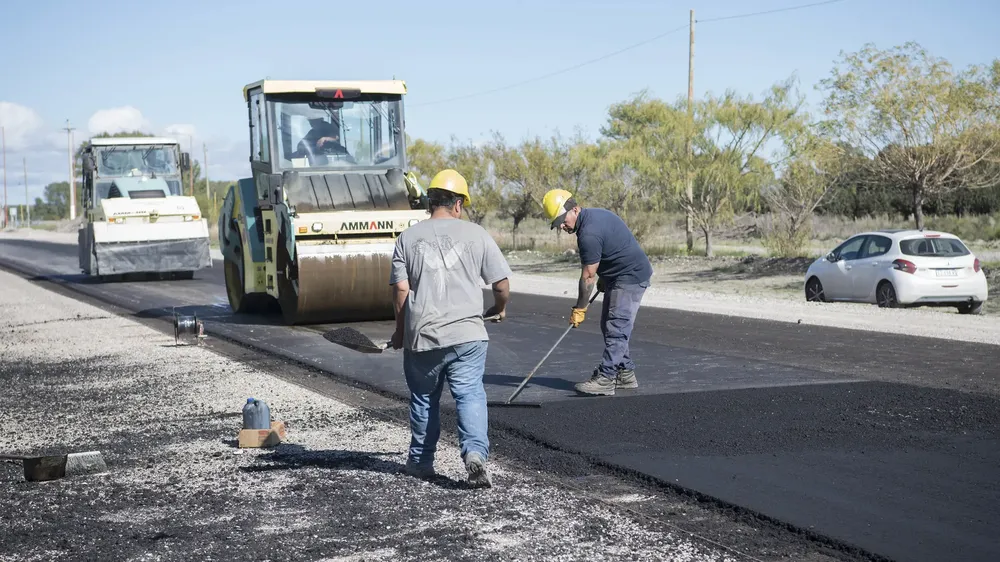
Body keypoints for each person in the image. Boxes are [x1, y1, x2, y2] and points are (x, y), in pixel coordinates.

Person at [389, 169, 512, 487]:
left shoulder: (407, 238)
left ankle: (420, 463)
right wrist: (499, 309)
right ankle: (474, 455)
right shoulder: (477, 235)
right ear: (458, 204)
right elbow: (501, 284)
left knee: (424, 399)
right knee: (470, 394)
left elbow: (401, 291)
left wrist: (400, 332)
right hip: (468, 336)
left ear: (430, 202)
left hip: (424, 336)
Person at [542, 188, 652, 397]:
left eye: (563, 220)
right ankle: (625, 372)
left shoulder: (589, 234)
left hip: (630, 277)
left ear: (574, 209)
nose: (563, 226)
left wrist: (580, 308)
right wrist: (606, 277)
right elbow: (612, 249)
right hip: (619, 274)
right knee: (609, 325)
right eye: (558, 224)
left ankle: (606, 378)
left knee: (616, 327)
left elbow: (587, 277)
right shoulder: (594, 216)